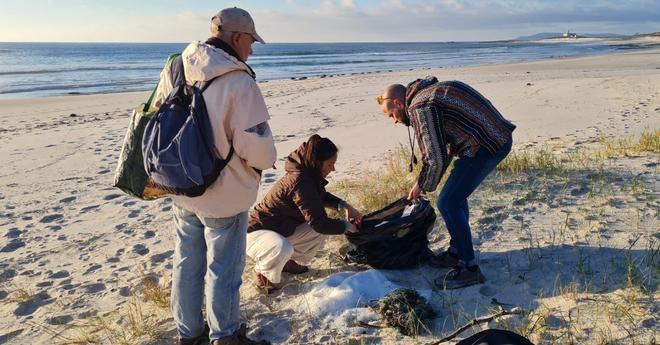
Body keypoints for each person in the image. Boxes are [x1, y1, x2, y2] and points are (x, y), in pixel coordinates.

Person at [151, 7, 276, 345]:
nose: (251, 49)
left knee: (187, 261)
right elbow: (258, 147)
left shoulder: (176, 65)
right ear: (237, 37)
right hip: (225, 192)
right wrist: (262, 165)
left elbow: (159, 116)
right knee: (223, 269)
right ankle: (225, 335)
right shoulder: (238, 79)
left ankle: (189, 333)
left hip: (181, 183)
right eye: (250, 41)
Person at [377, 78, 515, 289]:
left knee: (447, 203)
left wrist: (421, 184)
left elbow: (436, 156)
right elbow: (444, 147)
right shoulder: (428, 94)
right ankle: (456, 251)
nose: (394, 121)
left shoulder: (420, 106)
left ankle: (469, 268)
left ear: (398, 103)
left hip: (487, 144)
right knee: (454, 197)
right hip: (491, 138)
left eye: (391, 115)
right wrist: (423, 181)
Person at [247, 134, 361, 291]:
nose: (333, 169)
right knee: (284, 246)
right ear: (317, 162)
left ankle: (285, 261)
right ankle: (261, 271)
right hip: (257, 232)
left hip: (281, 228)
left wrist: (344, 205)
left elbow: (318, 197)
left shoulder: (309, 173)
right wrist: (346, 226)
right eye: (330, 164)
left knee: (318, 232)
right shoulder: (300, 180)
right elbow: (319, 223)